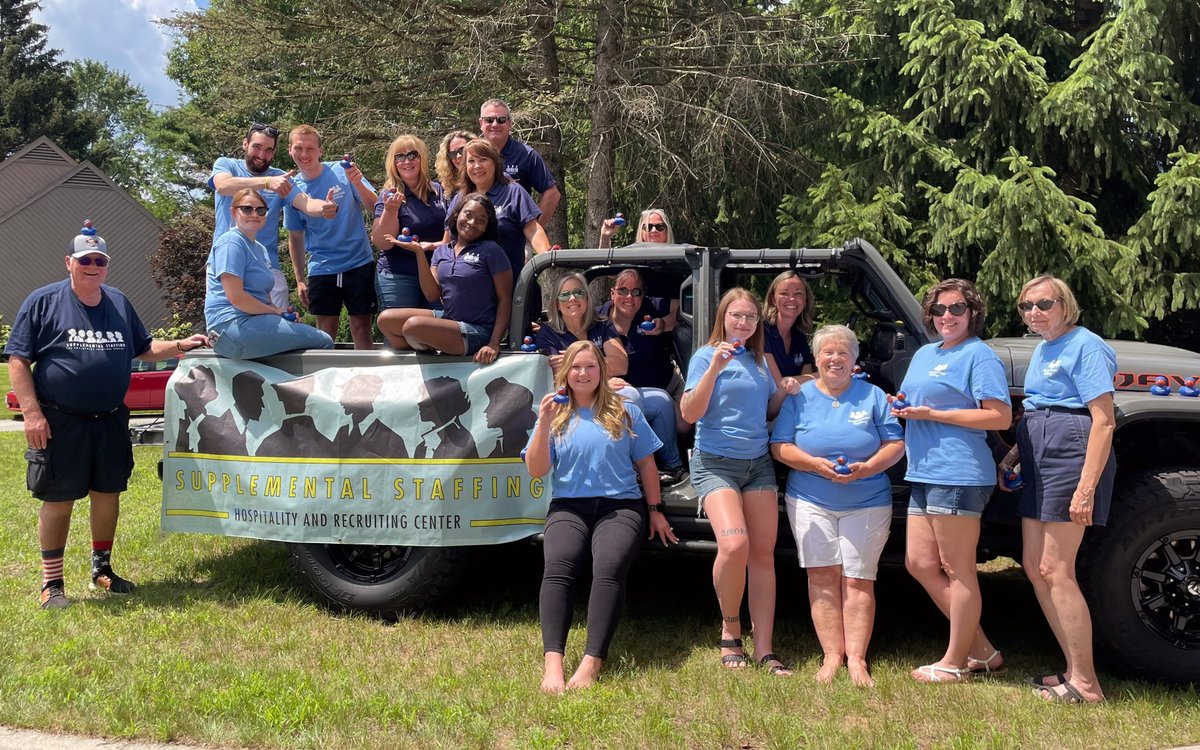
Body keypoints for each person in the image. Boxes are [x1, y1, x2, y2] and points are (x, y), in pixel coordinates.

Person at [5, 223, 208, 609]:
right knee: (59, 498)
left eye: (99, 260)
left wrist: (181, 344)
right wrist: (32, 414)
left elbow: (145, 347)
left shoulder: (117, 302)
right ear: (70, 262)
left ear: (106, 266)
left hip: (111, 418)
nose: (92, 266)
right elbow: (18, 358)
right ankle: (52, 583)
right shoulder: (43, 302)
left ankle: (102, 569)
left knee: (107, 494)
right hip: (61, 421)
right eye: (85, 260)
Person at [524, 340, 677, 693]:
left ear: (602, 372)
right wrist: (543, 422)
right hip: (569, 506)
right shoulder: (553, 414)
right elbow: (536, 470)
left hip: (620, 506)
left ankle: (592, 661)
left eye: (590, 366)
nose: (582, 373)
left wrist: (654, 511)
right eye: (576, 367)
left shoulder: (625, 411)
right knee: (558, 568)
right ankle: (553, 663)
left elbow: (647, 465)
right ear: (565, 373)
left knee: (608, 568)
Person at [999, 275, 1115, 704]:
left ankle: (1086, 684)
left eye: (1044, 304)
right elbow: (1037, 408)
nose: (1034, 313)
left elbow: (1103, 420)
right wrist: (1012, 458)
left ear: (1065, 303)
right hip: (1039, 449)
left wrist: (1085, 489)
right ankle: (1071, 669)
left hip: (1070, 451)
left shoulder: (1085, 344)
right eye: (1026, 306)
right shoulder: (1047, 347)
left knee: (1056, 569)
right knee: (1035, 566)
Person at [769, 324, 904, 686]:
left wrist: (867, 468)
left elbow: (895, 444)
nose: (835, 358)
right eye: (827, 352)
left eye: (843, 352)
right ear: (816, 359)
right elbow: (779, 445)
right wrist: (814, 464)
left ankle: (857, 660)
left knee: (859, 579)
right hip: (812, 499)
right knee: (822, 575)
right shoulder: (799, 397)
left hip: (868, 499)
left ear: (854, 358)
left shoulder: (874, 396)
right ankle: (832, 656)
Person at [893, 280, 1012, 682]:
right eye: (940, 310)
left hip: (959, 472)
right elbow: (913, 400)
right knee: (920, 563)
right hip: (924, 470)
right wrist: (902, 407)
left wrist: (934, 415)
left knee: (958, 569)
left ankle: (955, 662)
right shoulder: (926, 353)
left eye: (957, 309)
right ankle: (981, 651)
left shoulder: (980, 356)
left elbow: (999, 416)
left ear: (972, 313)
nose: (947, 317)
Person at [682, 288, 794, 676]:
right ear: (723, 318)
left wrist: (786, 391)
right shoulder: (705, 356)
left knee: (763, 556)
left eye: (750, 317)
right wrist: (714, 366)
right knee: (734, 545)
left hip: (758, 465)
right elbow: (690, 412)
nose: (743, 323)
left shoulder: (761, 359)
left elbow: (768, 408)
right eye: (737, 316)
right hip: (715, 463)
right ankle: (731, 631)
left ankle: (764, 647)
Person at [377, 193, 511, 364]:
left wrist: (494, 343)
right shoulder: (442, 252)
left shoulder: (491, 250)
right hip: (448, 320)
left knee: (413, 326)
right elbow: (432, 295)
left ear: (486, 227)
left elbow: (505, 299)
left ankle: (432, 353)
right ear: (456, 215)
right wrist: (419, 252)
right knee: (386, 320)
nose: (472, 223)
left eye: (481, 220)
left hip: (477, 330)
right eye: (468, 215)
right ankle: (422, 361)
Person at [205, 189, 335, 359]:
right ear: (233, 212)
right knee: (323, 341)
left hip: (253, 322)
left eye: (260, 210)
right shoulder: (231, 242)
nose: (254, 214)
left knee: (300, 339)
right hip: (230, 326)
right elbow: (236, 297)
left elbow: (264, 297)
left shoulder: (259, 248)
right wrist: (275, 312)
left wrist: (281, 312)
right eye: (247, 209)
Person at [283, 124, 379, 349]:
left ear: (320, 151)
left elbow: (375, 207)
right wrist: (299, 280)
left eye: (310, 148)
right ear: (290, 150)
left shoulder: (342, 171)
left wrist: (357, 182)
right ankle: (325, 382)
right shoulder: (292, 189)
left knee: (362, 329)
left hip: (358, 262)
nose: (304, 154)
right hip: (321, 268)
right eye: (299, 148)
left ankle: (365, 381)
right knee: (325, 335)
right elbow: (295, 236)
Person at [597, 268, 687, 485]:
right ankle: (663, 466)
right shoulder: (598, 321)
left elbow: (686, 305)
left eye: (636, 292)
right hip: (629, 392)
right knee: (654, 407)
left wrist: (663, 323)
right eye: (623, 291)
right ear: (612, 293)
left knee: (685, 425)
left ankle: (673, 464)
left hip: (668, 381)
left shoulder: (650, 307)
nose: (630, 297)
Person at [209, 122, 296, 309]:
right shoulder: (227, 165)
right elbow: (223, 186)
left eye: (268, 150)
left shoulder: (280, 178)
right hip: (227, 266)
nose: (262, 155)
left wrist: (326, 207)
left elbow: (306, 203)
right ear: (245, 144)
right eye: (257, 147)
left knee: (279, 331)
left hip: (269, 269)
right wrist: (266, 183)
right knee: (231, 328)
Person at [447, 138, 550, 279]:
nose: (477, 166)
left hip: (508, 283)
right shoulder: (460, 198)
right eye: (471, 161)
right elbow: (449, 242)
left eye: (483, 159)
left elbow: (533, 230)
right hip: (465, 286)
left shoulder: (513, 192)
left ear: (495, 163)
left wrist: (547, 257)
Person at [369, 135, 449, 310]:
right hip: (398, 275)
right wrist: (390, 210)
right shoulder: (387, 195)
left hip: (435, 274)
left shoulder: (440, 191)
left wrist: (433, 246)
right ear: (393, 162)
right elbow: (382, 242)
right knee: (399, 333)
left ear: (422, 158)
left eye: (413, 155)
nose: (407, 161)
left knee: (437, 334)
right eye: (400, 156)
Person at [479, 98, 561, 225]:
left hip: (514, 237)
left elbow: (552, 193)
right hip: (477, 233)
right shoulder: (470, 155)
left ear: (510, 123)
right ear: (481, 123)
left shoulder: (526, 155)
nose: (495, 124)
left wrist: (534, 229)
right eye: (489, 120)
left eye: (501, 120)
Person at [599, 207, 683, 331]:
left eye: (659, 226)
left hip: (675, 327)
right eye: (648, 227)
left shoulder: (679, 258)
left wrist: (664, 324)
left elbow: (689, 305)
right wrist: (605, 238)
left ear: (667, 230)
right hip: (636, 327)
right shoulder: (633, 257)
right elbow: (608, 269)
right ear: (641, 231)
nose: (654, 230)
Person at [533, 273, 628, 377]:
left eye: (578, 292)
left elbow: (621, 366)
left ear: (587, 298)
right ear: (557, 304)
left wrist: (573, 360)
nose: (572, 298)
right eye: (564, 295)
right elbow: (559, 374)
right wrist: (599, 364)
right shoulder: (547, 334)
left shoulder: (603, 324)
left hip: (606, 388)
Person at [762, 270, 816, 385]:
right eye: (784, 293)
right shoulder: (762, 332)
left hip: (792, 402)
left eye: (798, 294)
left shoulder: (800, 338)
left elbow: (808, 386)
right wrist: (822, 375)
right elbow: (780, 384)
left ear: (805, 301)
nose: (791, 299)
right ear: (773, 299)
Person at [435, 129, 475, 197]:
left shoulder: (485, 181)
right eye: (453, 153)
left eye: (462, 150)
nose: (458, 156)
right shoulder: (446, 190)